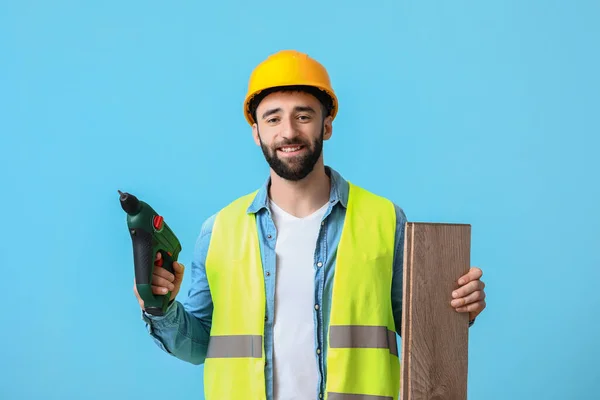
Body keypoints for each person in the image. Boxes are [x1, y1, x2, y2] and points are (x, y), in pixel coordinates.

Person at [134, 50, 487, 400]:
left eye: (303, 116)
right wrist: (159, 307)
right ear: (256, 132)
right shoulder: (219, 230)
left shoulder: (384, 219)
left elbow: (420, 332)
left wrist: (458, 310)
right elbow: (197, 347)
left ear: (327, 125)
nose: (289, 132)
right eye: (273, 119)